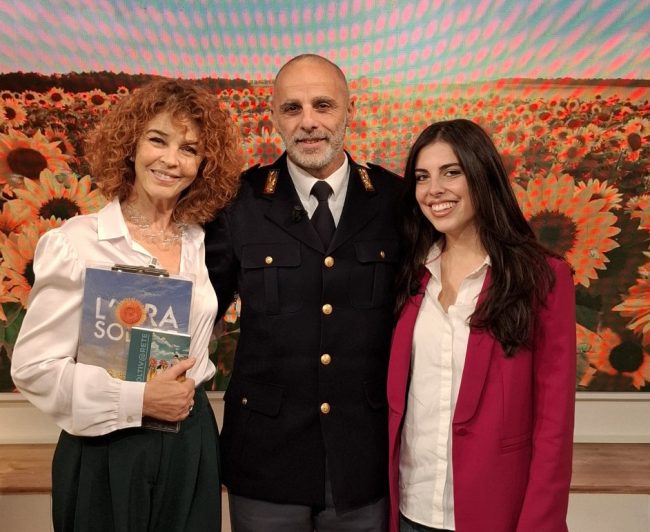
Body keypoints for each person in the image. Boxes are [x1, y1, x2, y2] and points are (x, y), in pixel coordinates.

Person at [11, 78, 242, 532]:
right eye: (157, 140)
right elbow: (34, 368)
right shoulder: (76, 243)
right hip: (106, 446)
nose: (171, 160)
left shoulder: (201, 243)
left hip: (190, 441)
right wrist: (139, 399)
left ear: (204, 164)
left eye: (189, 149)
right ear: (130, 145)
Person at [205, 54, 402, 531]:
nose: (308, 121)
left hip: (363, 459)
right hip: (265, 459)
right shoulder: (238, 202)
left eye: (323, 105)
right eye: (292, 108)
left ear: (350, 111)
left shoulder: (395, 201)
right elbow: (198, 311)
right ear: (274, 117)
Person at [388, 119, 576, 532]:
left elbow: (554, 426)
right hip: (410, 510)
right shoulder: (410, 273)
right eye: (422, 177)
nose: (434, 189)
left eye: (451, 172)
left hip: (494, 514)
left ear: (482, 174)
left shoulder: (542, 277)